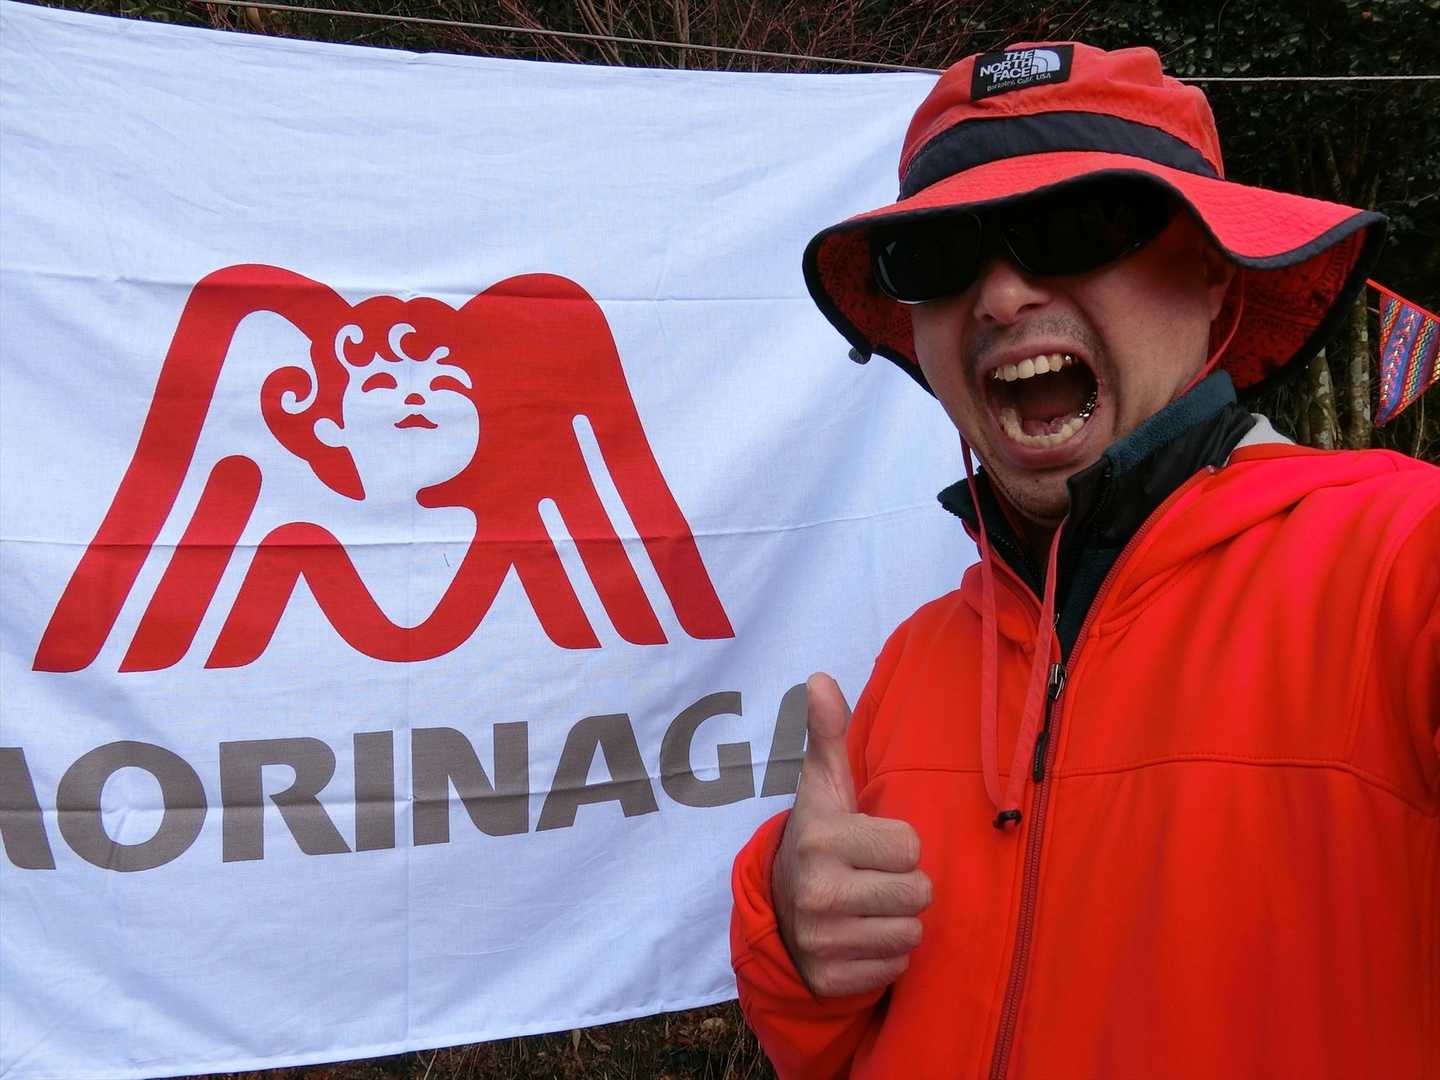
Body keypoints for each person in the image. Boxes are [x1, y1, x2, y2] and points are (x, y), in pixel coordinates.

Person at [730, 41, 1439, 1079]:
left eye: (1075, 223)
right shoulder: (913, 664)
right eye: (937, 252)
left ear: (1212, 273)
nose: (1001, 295)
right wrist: (793, 941)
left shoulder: (1400, 561)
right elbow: (827, 1046)